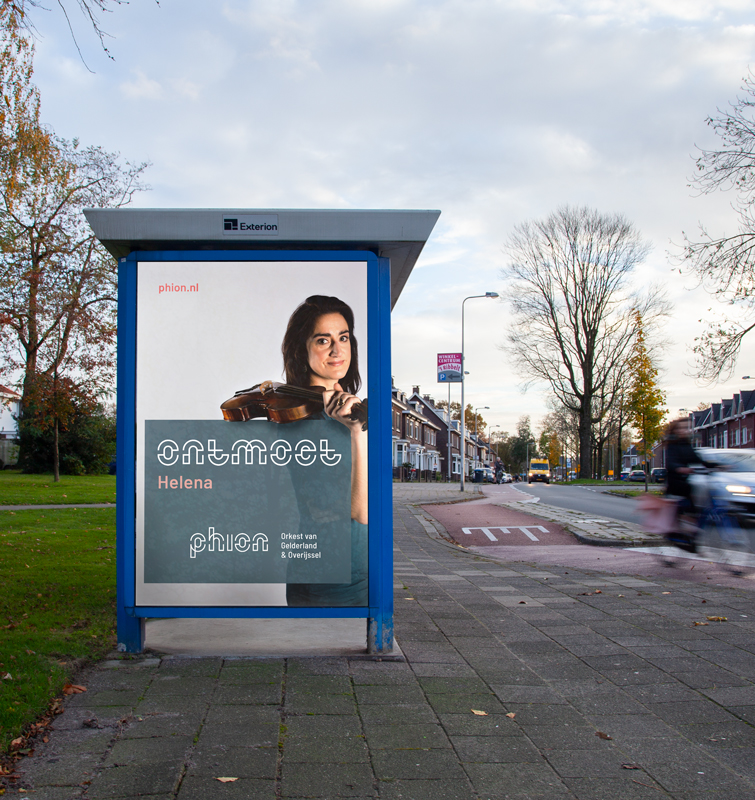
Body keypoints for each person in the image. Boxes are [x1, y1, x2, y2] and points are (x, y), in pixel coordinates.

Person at [282, 295, 368, 606]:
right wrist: (357, 433)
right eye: (323, 340)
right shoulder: (301, 421)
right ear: (300, 349)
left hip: (351, 567)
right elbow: (362, 511)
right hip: (335, 580)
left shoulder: (348, 408)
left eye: (343, 337)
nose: (337, 350)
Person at [664, 418, 707, 552]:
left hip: (686, 482)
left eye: (686, 428)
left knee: (699, 508)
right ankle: (681, 534)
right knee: (688, 508)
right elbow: (670, 463)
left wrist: (717, 465)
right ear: (675, 430)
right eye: (680, 428)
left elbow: (698, 459)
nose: (684, 430)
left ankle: (692, 536)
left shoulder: (687, 445)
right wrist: (679, 468)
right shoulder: (672, 445)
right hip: (675, 484)